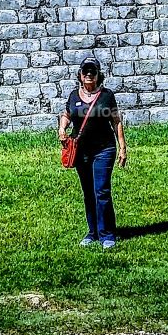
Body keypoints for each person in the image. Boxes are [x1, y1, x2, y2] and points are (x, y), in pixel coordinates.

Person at [58, 56, 127, 249]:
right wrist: (62, 128)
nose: (89, 74)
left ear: (98, 75)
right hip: (81, 152)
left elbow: (116, 121)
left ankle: (107, 235)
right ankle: (93, 232)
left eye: (93, 71)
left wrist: (123, 148)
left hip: (104, 149)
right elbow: (67, 114)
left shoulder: (107, 95)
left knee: (102, 191)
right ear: (80, 75)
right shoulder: (73, 95)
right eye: (85, 71)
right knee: (88, 192)